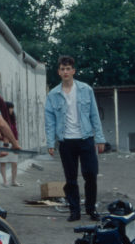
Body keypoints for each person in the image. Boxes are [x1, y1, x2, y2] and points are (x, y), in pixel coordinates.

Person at [44, 55, 106, 222]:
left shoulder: (86, 89)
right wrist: (50, 142)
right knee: (70, 178)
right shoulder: (53, 95)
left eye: (68, 68)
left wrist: (100, 138)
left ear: (73, 71)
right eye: (62, 69)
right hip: (66, 141)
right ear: (59, 72)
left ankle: (91, 209)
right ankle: (74, 210)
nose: (65, 71)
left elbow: (94, 114)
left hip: (85, 138)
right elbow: (49, 121)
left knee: (90, 174)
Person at [0, 101, 21, 187]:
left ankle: (13, 181)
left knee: (14, 162)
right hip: (3, 142)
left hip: (13, 142)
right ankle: (5, 181)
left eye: (12, 108)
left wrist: (16, 142)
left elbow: (15, 131)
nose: (12, 109)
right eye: (10, 107)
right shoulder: (1, 118)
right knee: (3, 162)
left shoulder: (12, 119)